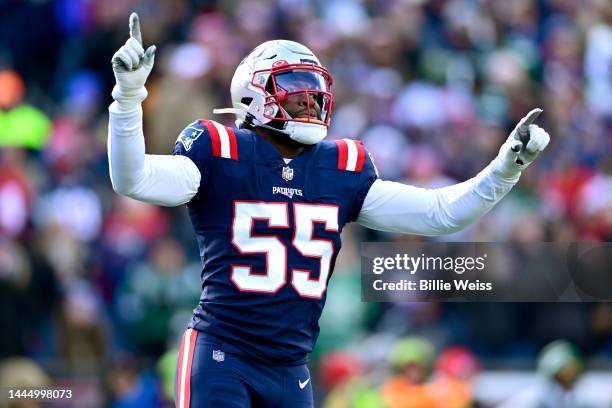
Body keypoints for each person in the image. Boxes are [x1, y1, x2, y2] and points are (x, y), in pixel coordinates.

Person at [108, 12, 550, 408]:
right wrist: (127, 99)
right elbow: (134, 179)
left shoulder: (341, 167)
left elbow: (441, 213)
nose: (311, 101)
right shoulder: (219, 148)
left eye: (315, 90)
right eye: (296, 90)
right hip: (222, 353)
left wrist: (504, 169)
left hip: (292, 367)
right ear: (254, 97)